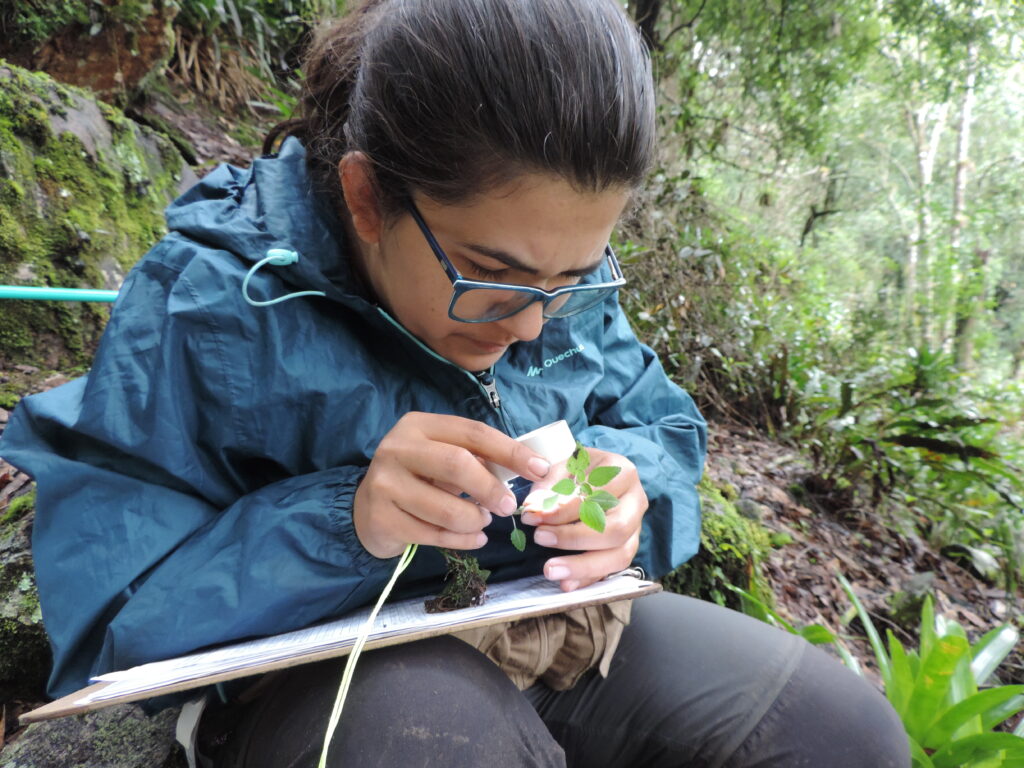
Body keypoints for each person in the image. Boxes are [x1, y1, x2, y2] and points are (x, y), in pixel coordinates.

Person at [0, 0, 911, 765]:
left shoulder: (553, 279)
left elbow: (660, 430)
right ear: (367, 198)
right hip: (322, 677)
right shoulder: (211, 299)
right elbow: (111, 623)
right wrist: (345, 522)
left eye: (572, 279)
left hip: (548, 626)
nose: (530, 325)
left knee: (842, 733)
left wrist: (631, 494)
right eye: (494, 276)